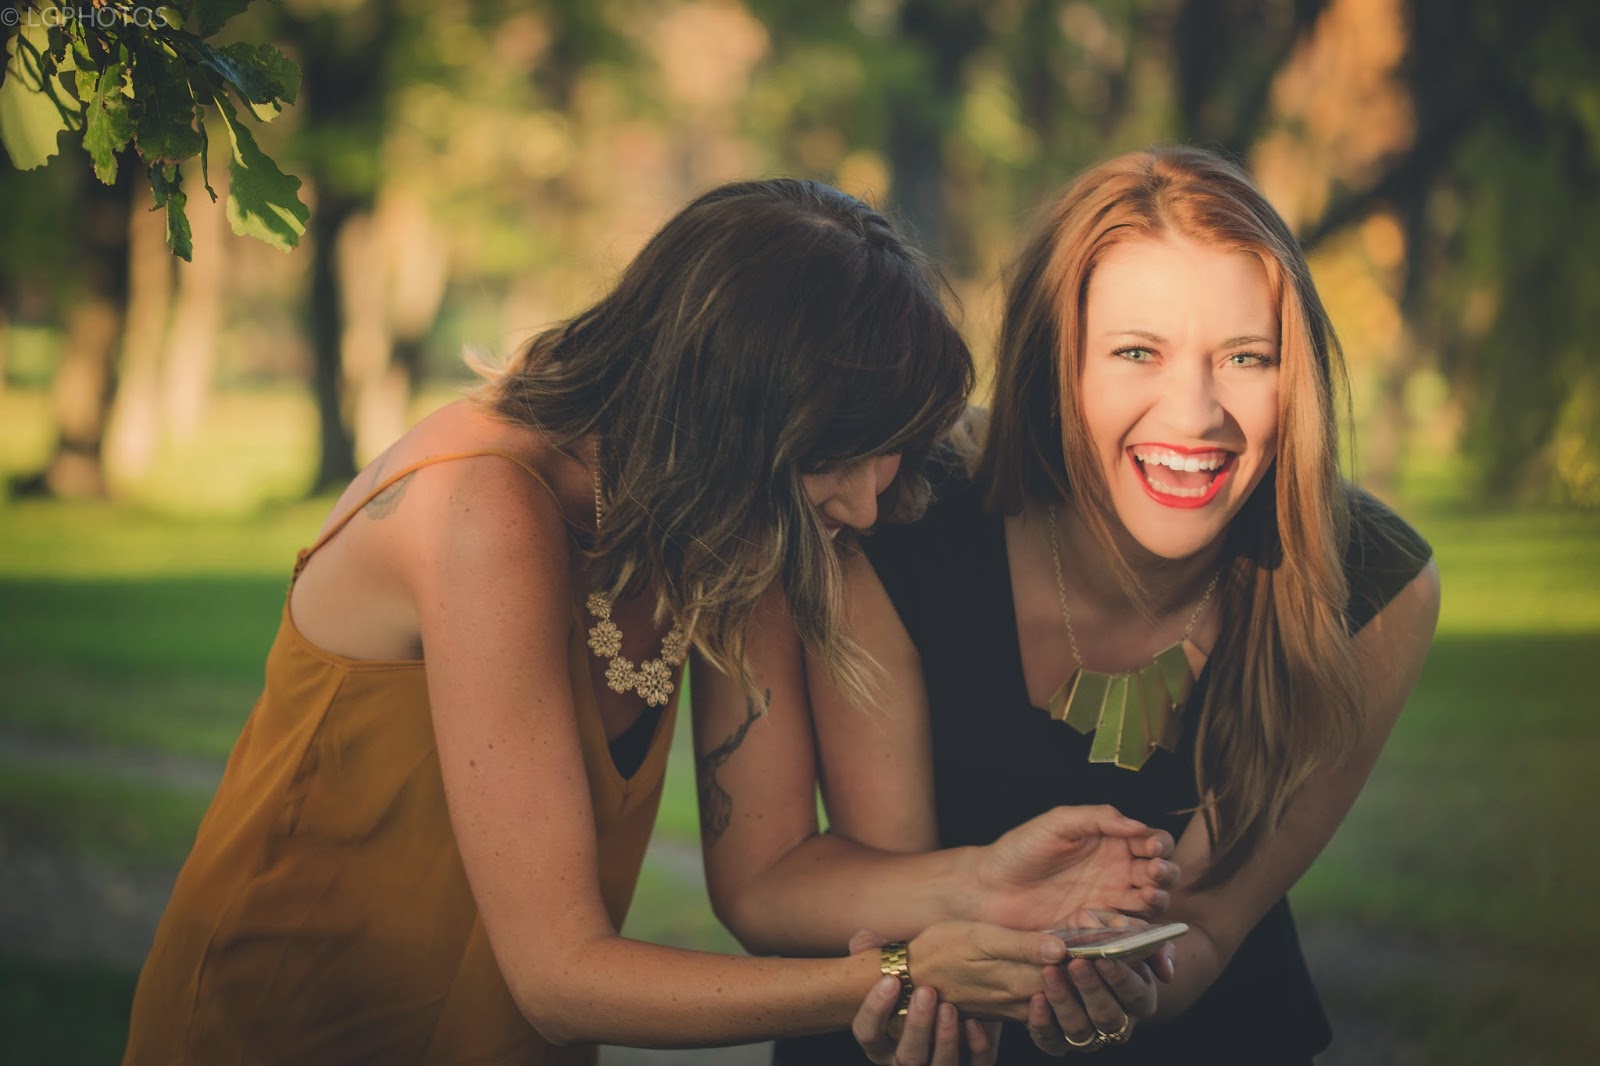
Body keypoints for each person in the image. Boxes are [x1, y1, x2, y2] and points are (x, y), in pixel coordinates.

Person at [120, 177, 1179, 1066]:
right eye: (845, 457)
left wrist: (984, 882)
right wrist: (898, 971)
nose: (866, 505)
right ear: (735, 416)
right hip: (281, 1027)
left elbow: (764, 873)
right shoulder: (484, 510)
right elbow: (560, 978)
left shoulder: (719, 526)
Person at [696, 147, 1440, 1063]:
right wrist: (964, 921)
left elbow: (1206, 924)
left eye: (1247, 358)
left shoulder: (1369, 585)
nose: (1195, 414)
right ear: (1055, 367)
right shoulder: (891, 510)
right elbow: (810, 889)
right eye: (1136, 352)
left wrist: (1136, 975)